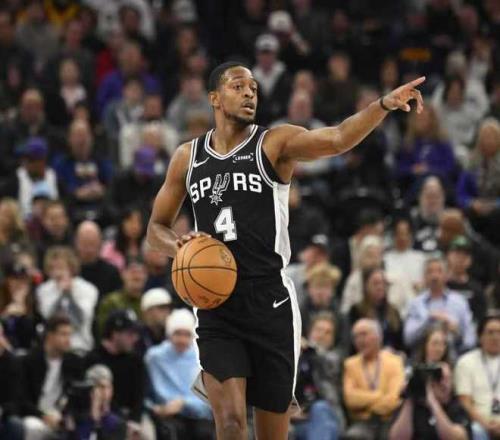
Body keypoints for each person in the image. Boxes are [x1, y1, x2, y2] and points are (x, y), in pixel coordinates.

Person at [146, 61, 425, 438]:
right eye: (238, 86)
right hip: (216, 304)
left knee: (271, 432)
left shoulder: (274, 143)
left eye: (254, 88)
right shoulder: (187, 157)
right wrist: (178, 246)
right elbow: (155, 229)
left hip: (270, 302)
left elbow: (338, 138)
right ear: (214, 98)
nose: (249, 94)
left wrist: (383, 105)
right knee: (230, 423)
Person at [146, 309, 214, 439]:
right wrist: (155, 408)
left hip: (198, 415)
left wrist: (183, 403)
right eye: (177, 333)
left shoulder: (200, 357)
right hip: (166, 415)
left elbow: (208, 400)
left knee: (203, 432)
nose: (182, 340)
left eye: (187, 335)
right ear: (169, 334)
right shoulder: (154, 357)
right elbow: (146, 390)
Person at [19, 315, 83, 440]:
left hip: (61, 416)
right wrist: (42, 416)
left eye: (69, 335)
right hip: (36, 416)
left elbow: (77, 396)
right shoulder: (30, 361)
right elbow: (21, 399)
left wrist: (67, 416)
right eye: (63, 334)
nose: (68, 340)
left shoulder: (74, 362)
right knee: (31, 427)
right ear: (49, 335)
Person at [343, 319, 405, 440]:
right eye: (356, 336)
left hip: (389, 420)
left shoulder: (395, 362)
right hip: (363, 422)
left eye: (364, 334)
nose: (360, 340)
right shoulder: (350, 364)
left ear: (378, 336)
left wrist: (368, 407)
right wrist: (379, 395)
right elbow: (350, 399)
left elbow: (395, 398)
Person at [404, 258, 476, 356]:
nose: (435, 276)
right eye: (430, 272)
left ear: (447, 275)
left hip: (454, 356)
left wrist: (457, 332)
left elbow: (471, 339)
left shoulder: (459, 302)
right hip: (422, 359)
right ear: (424, 277)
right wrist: (428, 320)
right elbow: (408, 339)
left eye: (439, 271)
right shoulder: (415, 304)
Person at [86, 310, 144, 426]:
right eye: (130, 334)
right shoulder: (93, 359)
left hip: (131, 417)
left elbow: (140, 396)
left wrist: (135, 421)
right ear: (115, 333)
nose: (135, 338)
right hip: (102, 415)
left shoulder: (136, 361)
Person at [292, 312, 345, 440]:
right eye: (319, 330)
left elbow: (326, 361)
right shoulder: (294, 357)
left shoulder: (335, 359)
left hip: (325, 415)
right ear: (309, 332)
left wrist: (309, 348)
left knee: (321, 410)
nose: (322, 335)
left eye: (328, 333)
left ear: (333, 339)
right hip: (295, 423)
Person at [36, 246, 98, 353]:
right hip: (53, 349)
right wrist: (62, 295)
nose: (57, 272)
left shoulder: (88, 289)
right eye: (52, 268)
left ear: (71, 267)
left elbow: (80, 320)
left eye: (60, 267)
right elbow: (51, 320)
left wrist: (68, 294)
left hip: (80, 347)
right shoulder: (43, 290)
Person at [389, 362, 471, 440]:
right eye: (439, 378)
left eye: (447, 379)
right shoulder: (413, 406)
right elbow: (397, 438)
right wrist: (409, 396)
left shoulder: (456, 405)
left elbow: (455, 438)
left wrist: (432, 402)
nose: (443, 384)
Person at [455, 315, 500, 440]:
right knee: (477, 430)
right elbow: (465, 402)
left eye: (499, 332)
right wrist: (486, 425)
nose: (495, 337)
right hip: (478, 423)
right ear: (480, 336)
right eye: (490, 332)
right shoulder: (466, 362)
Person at [65, 364, 127, 440]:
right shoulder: (79, 420)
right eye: (93, 387)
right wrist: (71, 431)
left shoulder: (117, 424)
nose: (97, 392)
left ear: (111, 390)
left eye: (102, 387)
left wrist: (97, 422)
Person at [347, 268, 403, 352]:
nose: (380, 287)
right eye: (375, 283)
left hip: (391, 356)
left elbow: (401, 343)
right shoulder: (356, 310)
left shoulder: (394, 311)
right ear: (366, 286)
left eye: (383, 283)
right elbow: (353, 343)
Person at [96, 258, 147, 335]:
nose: (137, 276)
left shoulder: (148, 302)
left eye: (141, 272)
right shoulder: (110, 301)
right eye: (133, 272)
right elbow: (103, 331)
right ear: (123, 275)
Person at [74, 221, 122, 301]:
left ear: (100, 243)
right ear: (77, 243)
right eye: (85, 244)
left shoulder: (111, 272)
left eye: (92, 244)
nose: (89, 249)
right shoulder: (70, 272)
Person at [446, 235, 487, 325]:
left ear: (470, 260)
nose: (460, 259)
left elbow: (480, 317)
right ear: (448, 256)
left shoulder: (476, 289)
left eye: (465, 255)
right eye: (457, 254)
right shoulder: (441, 285)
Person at [300, 262, 342, 337]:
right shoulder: (300, 312)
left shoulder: (340, 313)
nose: (320, 292)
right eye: (317, 286)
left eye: (325, 287)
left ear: (333, 290)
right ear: (309, 289)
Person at [383, 218, 425, 290]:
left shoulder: (420, 258)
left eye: (405, 234)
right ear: (394, 236)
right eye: (399, 234)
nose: (402, 237)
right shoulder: (385, 258)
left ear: (410, 236)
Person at [139, 287, 172, 355]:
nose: (167, 312)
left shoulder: (171, 335)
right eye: (162, 308)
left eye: (168, 308)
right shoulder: (136, 337)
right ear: (148, 311)